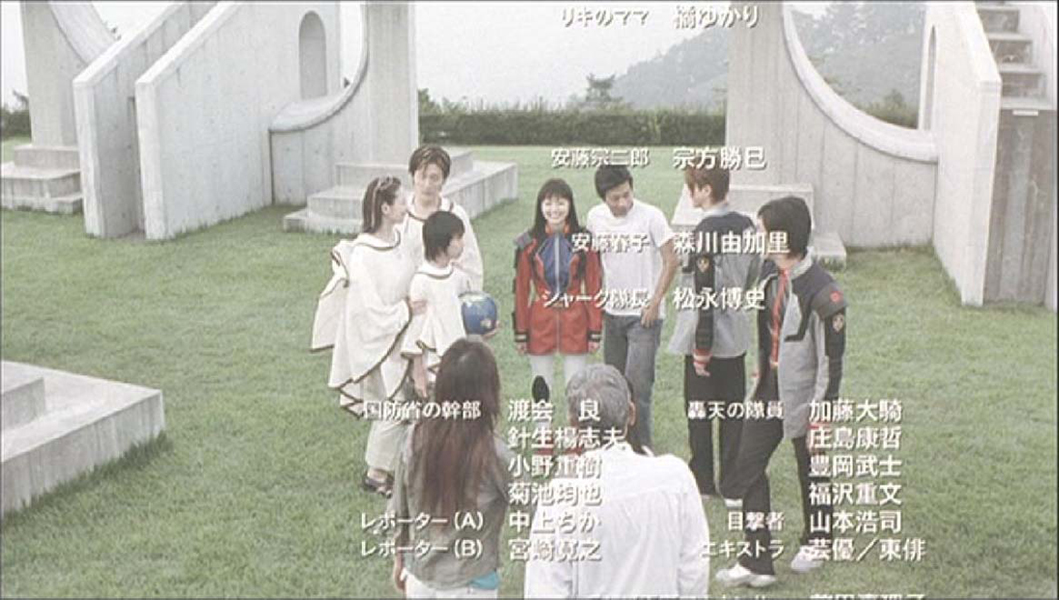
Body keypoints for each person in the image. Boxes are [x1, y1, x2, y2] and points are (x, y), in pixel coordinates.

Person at [714, 196, 847, 588]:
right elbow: (767, 328)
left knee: (812, 465)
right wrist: (764, 364)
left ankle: (819, 540)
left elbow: (831, 363)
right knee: (747, 462)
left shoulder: (823, 292)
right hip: (770, 386)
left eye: (763, 231)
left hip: (806, 393)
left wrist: (821, 417)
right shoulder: (770, 274)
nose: (758, 237)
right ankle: (757, 559)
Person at [523, 364, 710, 598]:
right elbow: (694, 571)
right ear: (631, 414)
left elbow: (545, 590)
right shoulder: (676, 477)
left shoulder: (560, 498)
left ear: (574, 425)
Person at [310, 176, 423, 497]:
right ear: (385, 208)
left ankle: (399, 466)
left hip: (404, 334)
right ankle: (375, 474)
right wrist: (403, 310)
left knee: (406, 402)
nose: (407, 205)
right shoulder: (363, 254)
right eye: (401, 201)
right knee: (394, 406)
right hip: (381, 340)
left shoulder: (400, 238)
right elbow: (366, 310)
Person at [390, 340, 516, 598]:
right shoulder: (496, 453)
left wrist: (399, 559)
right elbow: (537, 512)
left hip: (420, 580)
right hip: (471, 584)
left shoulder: (414, 437)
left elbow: (398, 509)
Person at [668, 165, 760, 506]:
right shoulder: (747, 226)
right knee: (733, 412)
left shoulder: (702, 234)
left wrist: (702, 346)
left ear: (706, 190)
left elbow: (702, 293)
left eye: (692, 187)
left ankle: (703, 482)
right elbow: (752, 274)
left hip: (702, 337)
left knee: (699, 412)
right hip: (734, 334)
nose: (690, 193)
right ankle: (733, 485)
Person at [585, 165, 678, 449]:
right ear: (603, 197)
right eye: (615, 198)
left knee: (638, 389)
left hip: (643, 318)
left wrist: (655, 302)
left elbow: (672, 260)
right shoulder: (594, 217)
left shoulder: (652, 216)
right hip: (612, 314)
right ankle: (615, 448)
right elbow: (595, 263)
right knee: (614, 388)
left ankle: (642, 450)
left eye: (627, 194)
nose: (623, 202)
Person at [512, 178, 603, 400]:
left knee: (577, 387)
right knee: (541, 385)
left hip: (576, 321)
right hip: (540, 322)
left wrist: (595, 330)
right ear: (540, 206)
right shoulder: (528, 244)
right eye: (548, 203)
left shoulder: (584, 241)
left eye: (560, 203)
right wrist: (521, 333)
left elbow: (594, 287)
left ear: (570, 205)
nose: (554, 209)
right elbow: (521, 291)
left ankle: (575, 424)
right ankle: (543, 424)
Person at [402, 211, 473, 401]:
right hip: (433, 365)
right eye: (458, 238)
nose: (462, 243)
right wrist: (418, 372)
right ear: (442, 244)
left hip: (460, 361)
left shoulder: (458, 277)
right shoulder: (421, 281)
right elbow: (417, 329)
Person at [398, 144, 484, 291]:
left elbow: (471, 267)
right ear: (412, 176)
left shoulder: (455, 214)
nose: (427, 185)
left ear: (443, 180)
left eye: (434, 178)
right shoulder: (400, 213)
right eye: (422, 176)